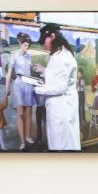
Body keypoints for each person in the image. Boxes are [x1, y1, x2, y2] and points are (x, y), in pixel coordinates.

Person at [33, 22, 81, 151]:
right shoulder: (60, 54)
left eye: (44, 40)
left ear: (52, 36)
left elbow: (59, 87)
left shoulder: (61, 57)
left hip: (61, 109)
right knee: (63, 143)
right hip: (60, 107)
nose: (43, 44)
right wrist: (44, 70)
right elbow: (58, 75)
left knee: (62, 145)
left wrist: (37, 88)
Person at [4, 32, 37, 150]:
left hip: (28, 85)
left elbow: (30, 70)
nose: (26, 45)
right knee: (20, 114)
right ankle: (22, 141)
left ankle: (28, 136)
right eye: (24, 43)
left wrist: (35, 68)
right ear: (19, 43)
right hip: (18, 85)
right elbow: (9, 73)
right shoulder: (14, 56)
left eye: (28, 43)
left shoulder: (30, 57)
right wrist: (7, 87)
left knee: (28, 113)